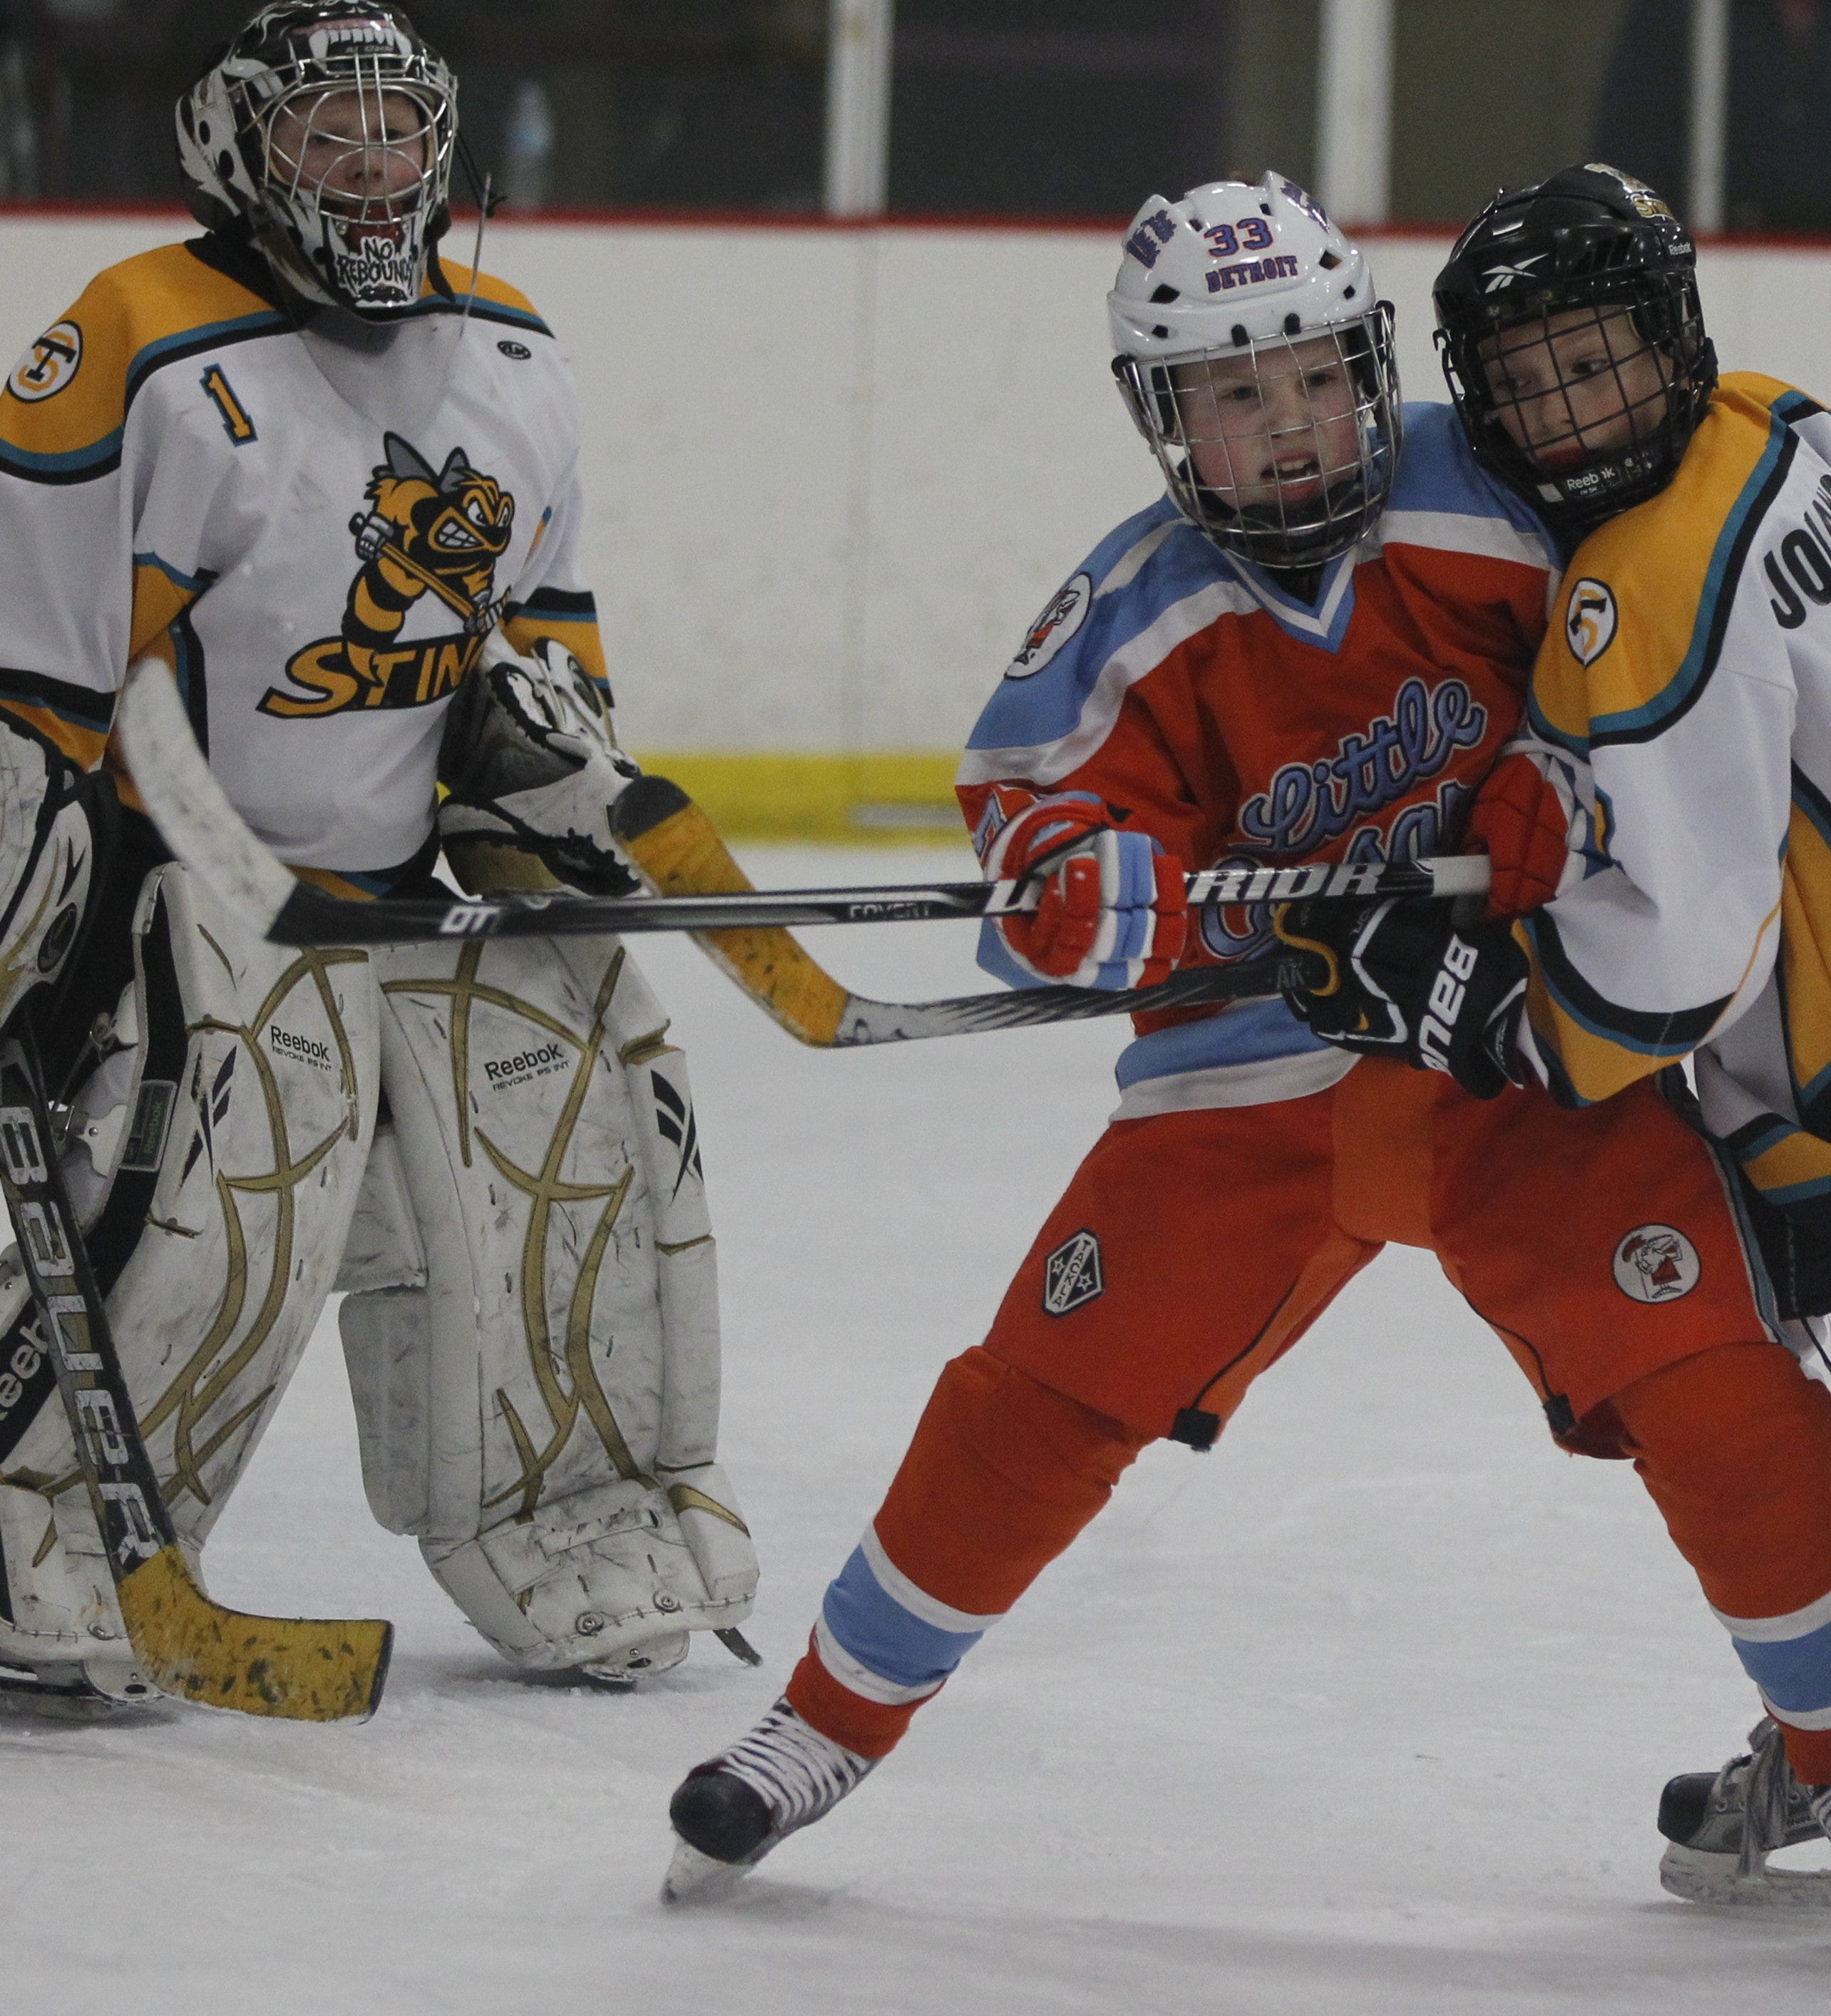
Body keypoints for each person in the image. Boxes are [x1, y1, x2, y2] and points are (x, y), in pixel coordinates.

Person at [659, 170, 1812, 1902]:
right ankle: (823, 1719)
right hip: (1251, 1071)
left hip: (1508, 1054)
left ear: (1372, 357)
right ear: (1165, 418)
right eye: (1232, 393)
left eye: (1315, 375)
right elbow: (1032, 807)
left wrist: (1553, 800)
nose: (1289, 427)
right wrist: (1079, 880)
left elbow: (1623, 691)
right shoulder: (1130, 606)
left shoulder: (1502, 492)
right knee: (1049, 1383)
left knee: (1705, 1369)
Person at [0, 0, 756, 1711]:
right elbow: (34, 671)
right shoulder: (137, 334)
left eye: (395, 132)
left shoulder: (508, 352)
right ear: (237, 149)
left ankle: (582, 1522)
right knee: (226, 1198)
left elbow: (538, 645)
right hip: (191, 871)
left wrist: (550, 784)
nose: (369, 167)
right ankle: (42, 1522)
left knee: (573, 1142)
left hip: (421, 882)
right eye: (325, 133)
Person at [1281, 161, 1831, 1903]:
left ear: (1670, 334)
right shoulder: (1784, 424)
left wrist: (1454, 998)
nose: (1567, 412)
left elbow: (1670, 971)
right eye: (1527, 380)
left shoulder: (1642, 592)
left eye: (1594, 362)